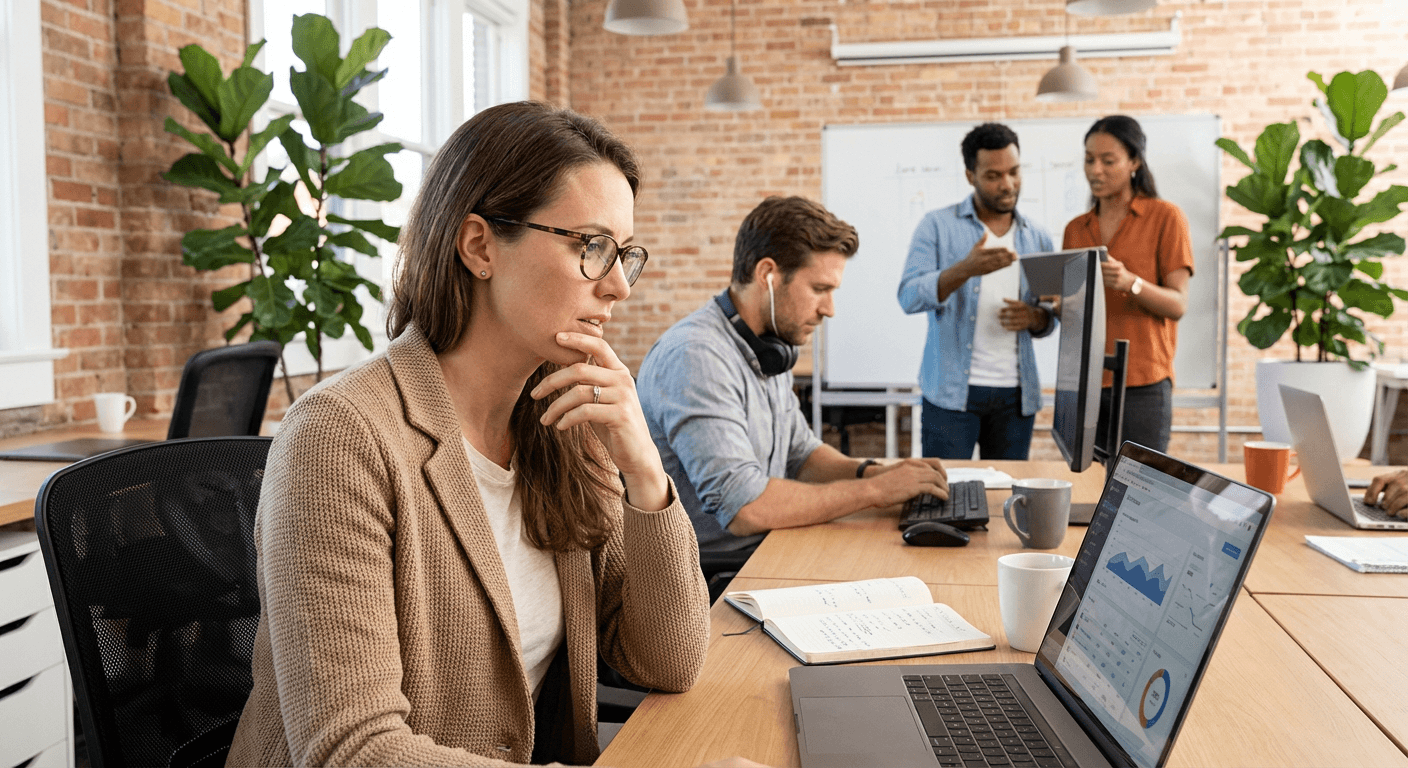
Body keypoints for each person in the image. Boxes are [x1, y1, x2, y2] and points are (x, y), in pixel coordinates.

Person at [225, 102, 762, 768]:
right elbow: (351, 751)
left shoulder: (562, 423)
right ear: (479, 246)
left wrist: (644, 471)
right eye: (591, 247)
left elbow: (667, 661)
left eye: (625, 254)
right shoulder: (339, 437)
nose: (619, 286)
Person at [637, 196, 949, 560]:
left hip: (767, 548)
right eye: (819, 289)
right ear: (768, 275)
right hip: (713, 575)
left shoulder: (768, 346)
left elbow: (801, 455)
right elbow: (745, 507)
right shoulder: (696, 356)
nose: (829, 309)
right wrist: (875, 492)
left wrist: (873, 473)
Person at [897, 123, 1057, 460]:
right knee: (946, 495)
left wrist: (1034, 317)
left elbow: (1050, 319)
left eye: (1014, 172)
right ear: (971, 175)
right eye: (993, 175)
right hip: (951, 396)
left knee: (1007, 499)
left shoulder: (1037, 237)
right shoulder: (937, 226)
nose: (1008, 184)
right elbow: (909, 296)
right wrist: (965, 269)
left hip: (1016, 398)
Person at [1062, 115, 1194, 453]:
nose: (1095, 170)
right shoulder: (1076, 229)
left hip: (1143, 384)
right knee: (1092, 489)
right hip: (1088, 382)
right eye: (1089, 160)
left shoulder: (1166, 217)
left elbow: (1177, 305)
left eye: (1108, 161)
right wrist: (1060, 306)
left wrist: (1130, 282)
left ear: (1134, 161)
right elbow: (1074, 313)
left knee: (1140, 491)